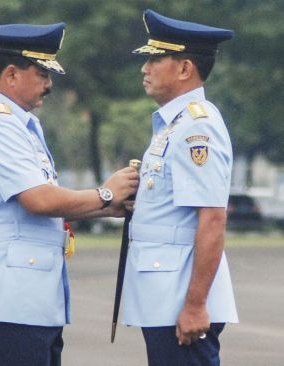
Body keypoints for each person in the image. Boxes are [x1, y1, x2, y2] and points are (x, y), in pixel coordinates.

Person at [0, 23, 139, 365]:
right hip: (10, 299)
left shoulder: (18, 121)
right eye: (42, 73)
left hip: (27, 297)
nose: (49, 84)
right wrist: (106, 194)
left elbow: (36, 206)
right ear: (11, 74)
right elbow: (38, 200)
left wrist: (105, 208)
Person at [122, 9, 238, 366]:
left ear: (185, 68)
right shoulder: (173, 124)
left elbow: (213, 218)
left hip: (180, 296)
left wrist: (195, 304)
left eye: (156, 59)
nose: (145, 68)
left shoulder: (195, 128)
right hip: (163, 292)